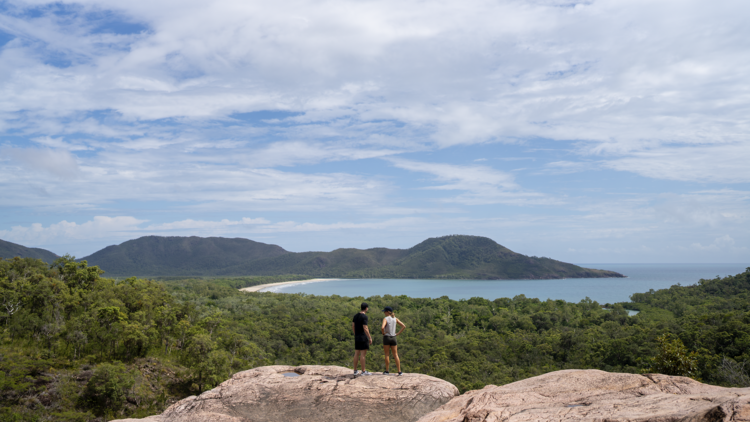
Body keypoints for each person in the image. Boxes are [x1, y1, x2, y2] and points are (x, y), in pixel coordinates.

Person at [381, 306, 406, 375]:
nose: (384, 313)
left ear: (388, 312)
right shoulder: (395, 319)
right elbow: (404, 326)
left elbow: (382, 327)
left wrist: (383, 333)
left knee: (387, 355)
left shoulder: (385, 319)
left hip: (387, 337)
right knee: (395, 355)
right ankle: (399, 371)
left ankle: (387, 371)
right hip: (393, 338)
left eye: (385, 311)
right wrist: (397, 333)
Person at [352, 302, 373, 375]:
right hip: (363, 337)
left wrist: (356, 334)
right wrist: (369, 337)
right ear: (366, 308)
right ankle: (363, 371)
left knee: (356, 354)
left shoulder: (355, 316)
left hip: (357, 337)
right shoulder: (364, 317)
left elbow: (353, 326)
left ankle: (355, 370)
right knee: (363, 354)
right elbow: (365, 328)